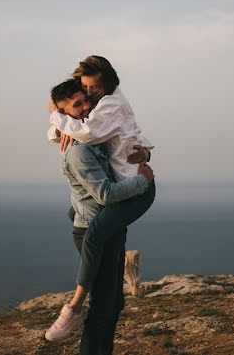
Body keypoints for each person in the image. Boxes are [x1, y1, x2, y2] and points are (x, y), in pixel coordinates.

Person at [45, 56, 157, 346]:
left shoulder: (108, 105)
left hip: (137, 189)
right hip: (125, 189)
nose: (89, 96)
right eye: (85, 89)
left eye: (93, 89)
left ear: (106, 84)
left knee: (94, 236)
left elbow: (88, 131)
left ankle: (75, 306)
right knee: (90, 229)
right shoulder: (91, 114)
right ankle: (83, 303)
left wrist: (58, 117)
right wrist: (59, 123)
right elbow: (77, 131)